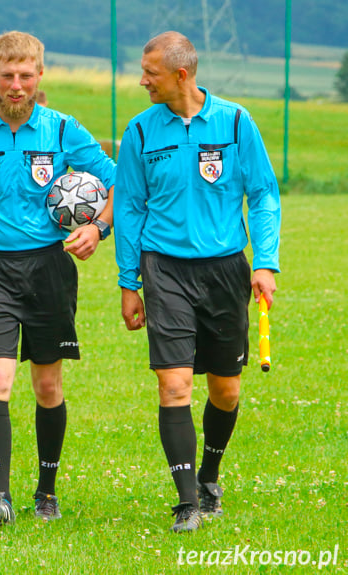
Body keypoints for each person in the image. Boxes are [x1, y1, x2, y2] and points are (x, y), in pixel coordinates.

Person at [0, 31, 116, 527]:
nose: (15, 85)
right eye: (7, 75)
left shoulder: (63, 129)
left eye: (25, 76)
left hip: (49, 268)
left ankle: (46, 492)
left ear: (39, 77)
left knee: (47, 385)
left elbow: (120, 183)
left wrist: (97, 226)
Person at [113, 31, 281, 533]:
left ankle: (210, 476)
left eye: (151, 73)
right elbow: (128, 208)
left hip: (226, 270)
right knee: (174, 384)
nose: (142, 81)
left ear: (180, 75)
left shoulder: (233, 121)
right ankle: (187, 502)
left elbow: (264, 194)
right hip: (163, 269)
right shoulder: (140, 132)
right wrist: (129, 282)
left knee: (225, 390)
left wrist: (265, 261)